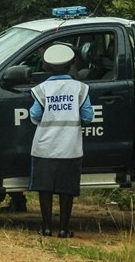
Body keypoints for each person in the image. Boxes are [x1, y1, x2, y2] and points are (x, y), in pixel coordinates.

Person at [29, 43, 94, 238]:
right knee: (67, 190)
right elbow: (88, 116)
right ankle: (64, 229)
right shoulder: (80, 89)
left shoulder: (41, 89)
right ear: (73, 63)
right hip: (70, 148)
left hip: (44, 147)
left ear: (47, 66)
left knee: (45, 188)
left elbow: (34, 114)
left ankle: (46, 227)